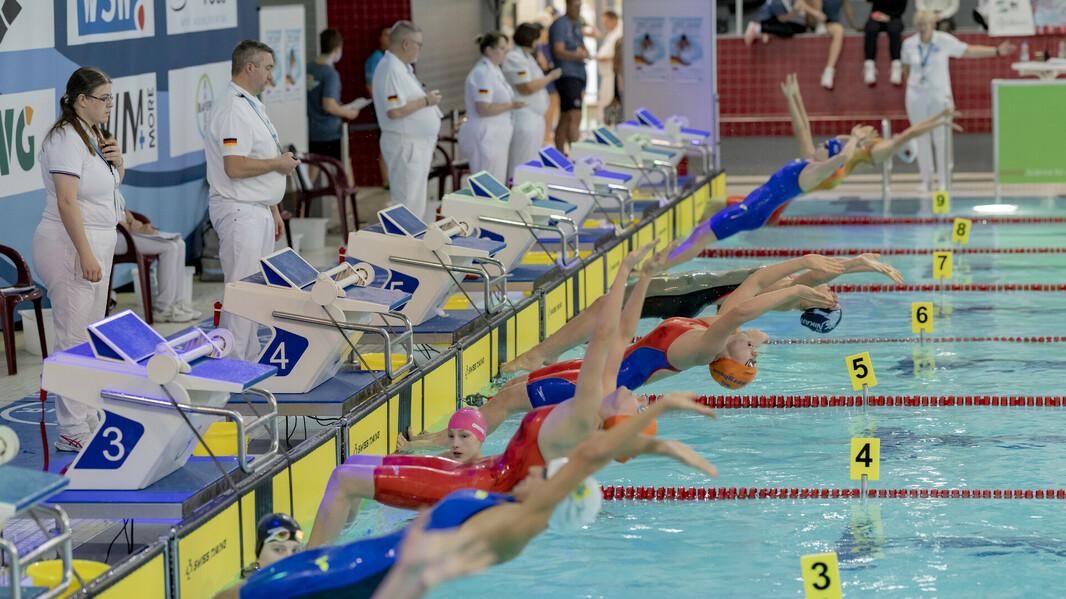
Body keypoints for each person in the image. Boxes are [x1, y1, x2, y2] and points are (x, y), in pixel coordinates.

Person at [303, 244, 718, 548]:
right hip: (482, 473)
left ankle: (312, 571)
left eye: (639, 406)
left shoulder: (587, 409)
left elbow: (606, 334)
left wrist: (625, 266)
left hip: (473, 486)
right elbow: (624, 331)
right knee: (353, 467)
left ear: (617, 417)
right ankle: (335, 546)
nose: (640, 399)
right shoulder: (602, 398)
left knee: (343, 478)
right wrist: (641, 274)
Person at [233, 391, 714, 599]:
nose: (540, 472)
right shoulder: (508, 508)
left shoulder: (514, 523)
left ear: (553, 497)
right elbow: (589, 456)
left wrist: (662, 423)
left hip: (358, 575)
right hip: (362, 560)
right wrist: (658, 436)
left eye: (550, 478)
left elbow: (584, 466)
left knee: (248, 593)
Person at [451, 253, 842, 443]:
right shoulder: (714, 332)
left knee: (507, 401)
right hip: (593, 368)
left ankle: (449, 449)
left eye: (751, 359)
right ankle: (450, 439)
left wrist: (795, 289)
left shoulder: (706, 346)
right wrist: (804, 262)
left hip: (595, 386)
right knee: (504, 395)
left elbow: (744, 307)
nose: (755, 348)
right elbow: (755, 284)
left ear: (727, 360)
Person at [502, 252, 903, 373]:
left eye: (833, 296)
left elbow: (734, 307)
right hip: (695, 299)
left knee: (608, 306)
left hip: (691, 294)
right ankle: (553, 353)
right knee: (612, 312)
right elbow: (819, 270)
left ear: (818, 303)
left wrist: (855, 265)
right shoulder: (793, 293)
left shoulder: (790, 292)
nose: (832, 288)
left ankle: (544, 353)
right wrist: (863, 261)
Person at [32, 66, 122, 451]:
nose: (109, 106)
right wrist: (85, 252)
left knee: (89, 335)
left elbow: (102, 191)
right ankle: (70, 425)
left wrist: (118, 162)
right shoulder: (66, 138)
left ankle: (84, 412)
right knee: (72, 337)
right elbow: (68, 201)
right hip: (70, 244)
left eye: (111, 99)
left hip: (94, 241)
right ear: (82, 100)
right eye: (104, 99)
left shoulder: (92, 135)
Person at [206, 41, 299, 362]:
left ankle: (249, 360)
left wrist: (272, 207)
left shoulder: (251, 104)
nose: (272, 75)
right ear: (250, 68)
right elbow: (235, 166)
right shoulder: (232, 109)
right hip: (238, 211)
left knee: (257, 294)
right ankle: (233, 367)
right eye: (269, 67)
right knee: (243, 295)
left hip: (255, 209)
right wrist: (278, 165)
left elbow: (259, 156)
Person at [901, 10, 1014, 192]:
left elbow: (967, 50)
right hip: (916, 96)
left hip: (939, 96)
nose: (922, 29)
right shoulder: (909, 44)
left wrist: (996, 51)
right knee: (920, 136)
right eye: (919, 25)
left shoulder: (944, 41)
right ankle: (926, 180)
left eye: (925, 25)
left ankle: (944, 181)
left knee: (941, 138)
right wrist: (915, 86)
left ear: (933, 25)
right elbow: (906, 69)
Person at [780, 72, 962, 177]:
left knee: (806, 144)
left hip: (832, 171)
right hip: (835, 163)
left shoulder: (879, 151)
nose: (898, 135)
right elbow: (910, 133)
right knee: (805, 138)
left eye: (900, 138)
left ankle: (791, 96)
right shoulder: (875, 143)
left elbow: (912, 133)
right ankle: (793, 94)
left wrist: (940, 119)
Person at [372, 21, 443, 222]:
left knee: (416, 203)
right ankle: (404, 247)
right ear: (406, 44)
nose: (420, 49)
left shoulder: (402, 68)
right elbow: (393, 111)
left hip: (416, 144)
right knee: (407, 203)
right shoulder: (390, 69)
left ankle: (413, 245)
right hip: (405, 144)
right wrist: (427, 100)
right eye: (418, 44)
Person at [113, 188, 201, 323]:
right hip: (116, 236)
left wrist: (134, 222)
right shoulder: (99, 186)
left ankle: (177, 303)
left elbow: (123, 209)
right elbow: (109, 219)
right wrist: (137, 229)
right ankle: (163, 309)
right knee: (169, 248)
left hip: (128, 232)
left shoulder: (113, 180)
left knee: (180, 243)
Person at [458, 32, 525, 182]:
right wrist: (511, 105)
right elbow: (483, 108)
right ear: (489, 50)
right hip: (486, 136)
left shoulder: (494, 70)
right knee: (489, 183)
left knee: (497, 181)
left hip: (496, 136)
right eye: (502, 48)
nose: (505, 52)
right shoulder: (483, 73)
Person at [503, 23, 562, 178]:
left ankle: (528, 193)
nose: (540, 42)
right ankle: (517, 193)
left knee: (532, 162)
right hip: (524, 116)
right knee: (522, 162)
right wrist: (550, 77)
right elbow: (526, 87)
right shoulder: (514, 57)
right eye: (538, 38)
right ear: (530, 39)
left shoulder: (527, 56)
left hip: (534, 116)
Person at [307, 29, 362, 161]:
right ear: (338, 48)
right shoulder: (330, 74)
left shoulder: (308, 67)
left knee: (313, 169)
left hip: (311, 130)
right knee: (343, 169)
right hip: (329, 132)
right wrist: (350, 113)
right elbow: (329, 106)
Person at [550, 0, 590, 152]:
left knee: (567, 116)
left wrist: (585, 53)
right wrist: (576, 55)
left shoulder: (577, 24)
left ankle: (562, 154)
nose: (578, 9)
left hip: (578, 75)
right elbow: (558, 51)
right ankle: (576, 155)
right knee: (574, 115)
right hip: (568, 76)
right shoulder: (560, 24)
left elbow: (582, 46)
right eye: (575, 6)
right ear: (567, 5)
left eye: (580, 6)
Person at [396, 407, 487, 463]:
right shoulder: (446, 458)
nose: (455, 444)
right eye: (451, 436)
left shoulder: (491, 471)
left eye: (464, 436)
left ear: (481, 438)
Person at [808, 0, 860, 88]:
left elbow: (848, 9)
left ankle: (829, 69)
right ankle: (829, 70)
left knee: (839, 30)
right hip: (816, 20)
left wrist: (854, 25)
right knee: (839, 30)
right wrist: (819, 20)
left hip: (832, 23)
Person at [365, 25, 392, 189]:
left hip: (395, 109)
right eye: (385, 35)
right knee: (386, 143)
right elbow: (370, 86)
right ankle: (386, 181)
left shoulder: (394, 58)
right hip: (384, 110)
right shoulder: (375, 59)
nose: (388, 38)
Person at [862, 0, 908, 86]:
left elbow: (902, 8)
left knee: (894, 29)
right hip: (877, 15)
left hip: (895, 16)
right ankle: (869, 64)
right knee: (871, 29)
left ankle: (896, 64)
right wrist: (880, 16)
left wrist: (889, 17)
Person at [744, 0, 821, 45]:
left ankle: (761, 28)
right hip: (773, 18)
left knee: (793, 29)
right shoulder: (777, 4)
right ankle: (759, 27)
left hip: (796, 23)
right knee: (788, 28)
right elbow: (782, 19)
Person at [535, 21, 561, 145]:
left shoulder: (550, 45)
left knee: (552, 111)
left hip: (552, 82)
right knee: (546, 111)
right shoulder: (538, 46)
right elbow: (544, 64)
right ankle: (545, 137)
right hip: (544, 82)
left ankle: (548, 135)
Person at [596, 10, 623, 119]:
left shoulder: (620, 33)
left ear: (614, 19)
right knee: (606, 107)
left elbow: (620, 55)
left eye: (606, 22)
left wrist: (606, 58)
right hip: (607, 74)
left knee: (612, 108)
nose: (605, 25)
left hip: (614, 75)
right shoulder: (612, 33)